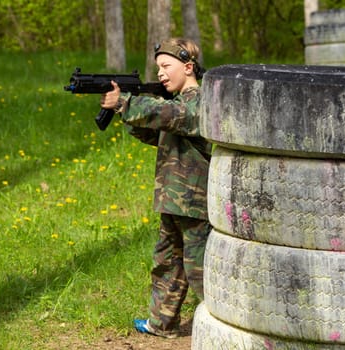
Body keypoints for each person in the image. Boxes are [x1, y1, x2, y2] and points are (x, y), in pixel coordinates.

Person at [100, 38, 212, 339]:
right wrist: (131, 116)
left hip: (195, 202)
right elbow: (158, 134)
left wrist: (127, 103)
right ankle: (162, 323)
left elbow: (176, 117)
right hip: (172, 200)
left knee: (199, 268)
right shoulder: (175, 103)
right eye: (158, 68)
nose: (161, 74)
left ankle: (225, 326)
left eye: (166, 66)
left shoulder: (198, 101)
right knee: (167, 264)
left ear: (188, 67)